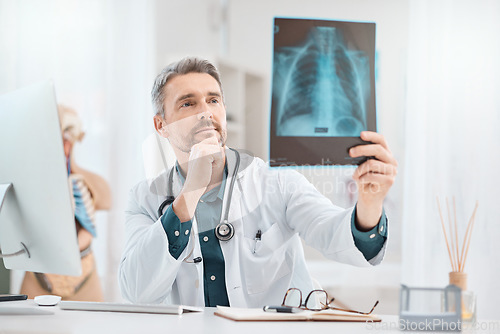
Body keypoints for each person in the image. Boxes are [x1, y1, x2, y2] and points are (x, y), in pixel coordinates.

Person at [119, 57, 398, 307]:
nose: (206, 112)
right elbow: (137, 291)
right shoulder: (144, 198)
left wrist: (370, 203)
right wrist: (190, 193)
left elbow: (337, 236)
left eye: (213, 100)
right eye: (188, 103)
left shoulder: (277, 182)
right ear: (161, 125)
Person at [20, 105, 112, 301]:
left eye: (66, 139)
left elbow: (102, 204)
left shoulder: (89, 183)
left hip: (83, 276)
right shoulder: (28, 185)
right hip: (40, 275)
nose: (63, 146)